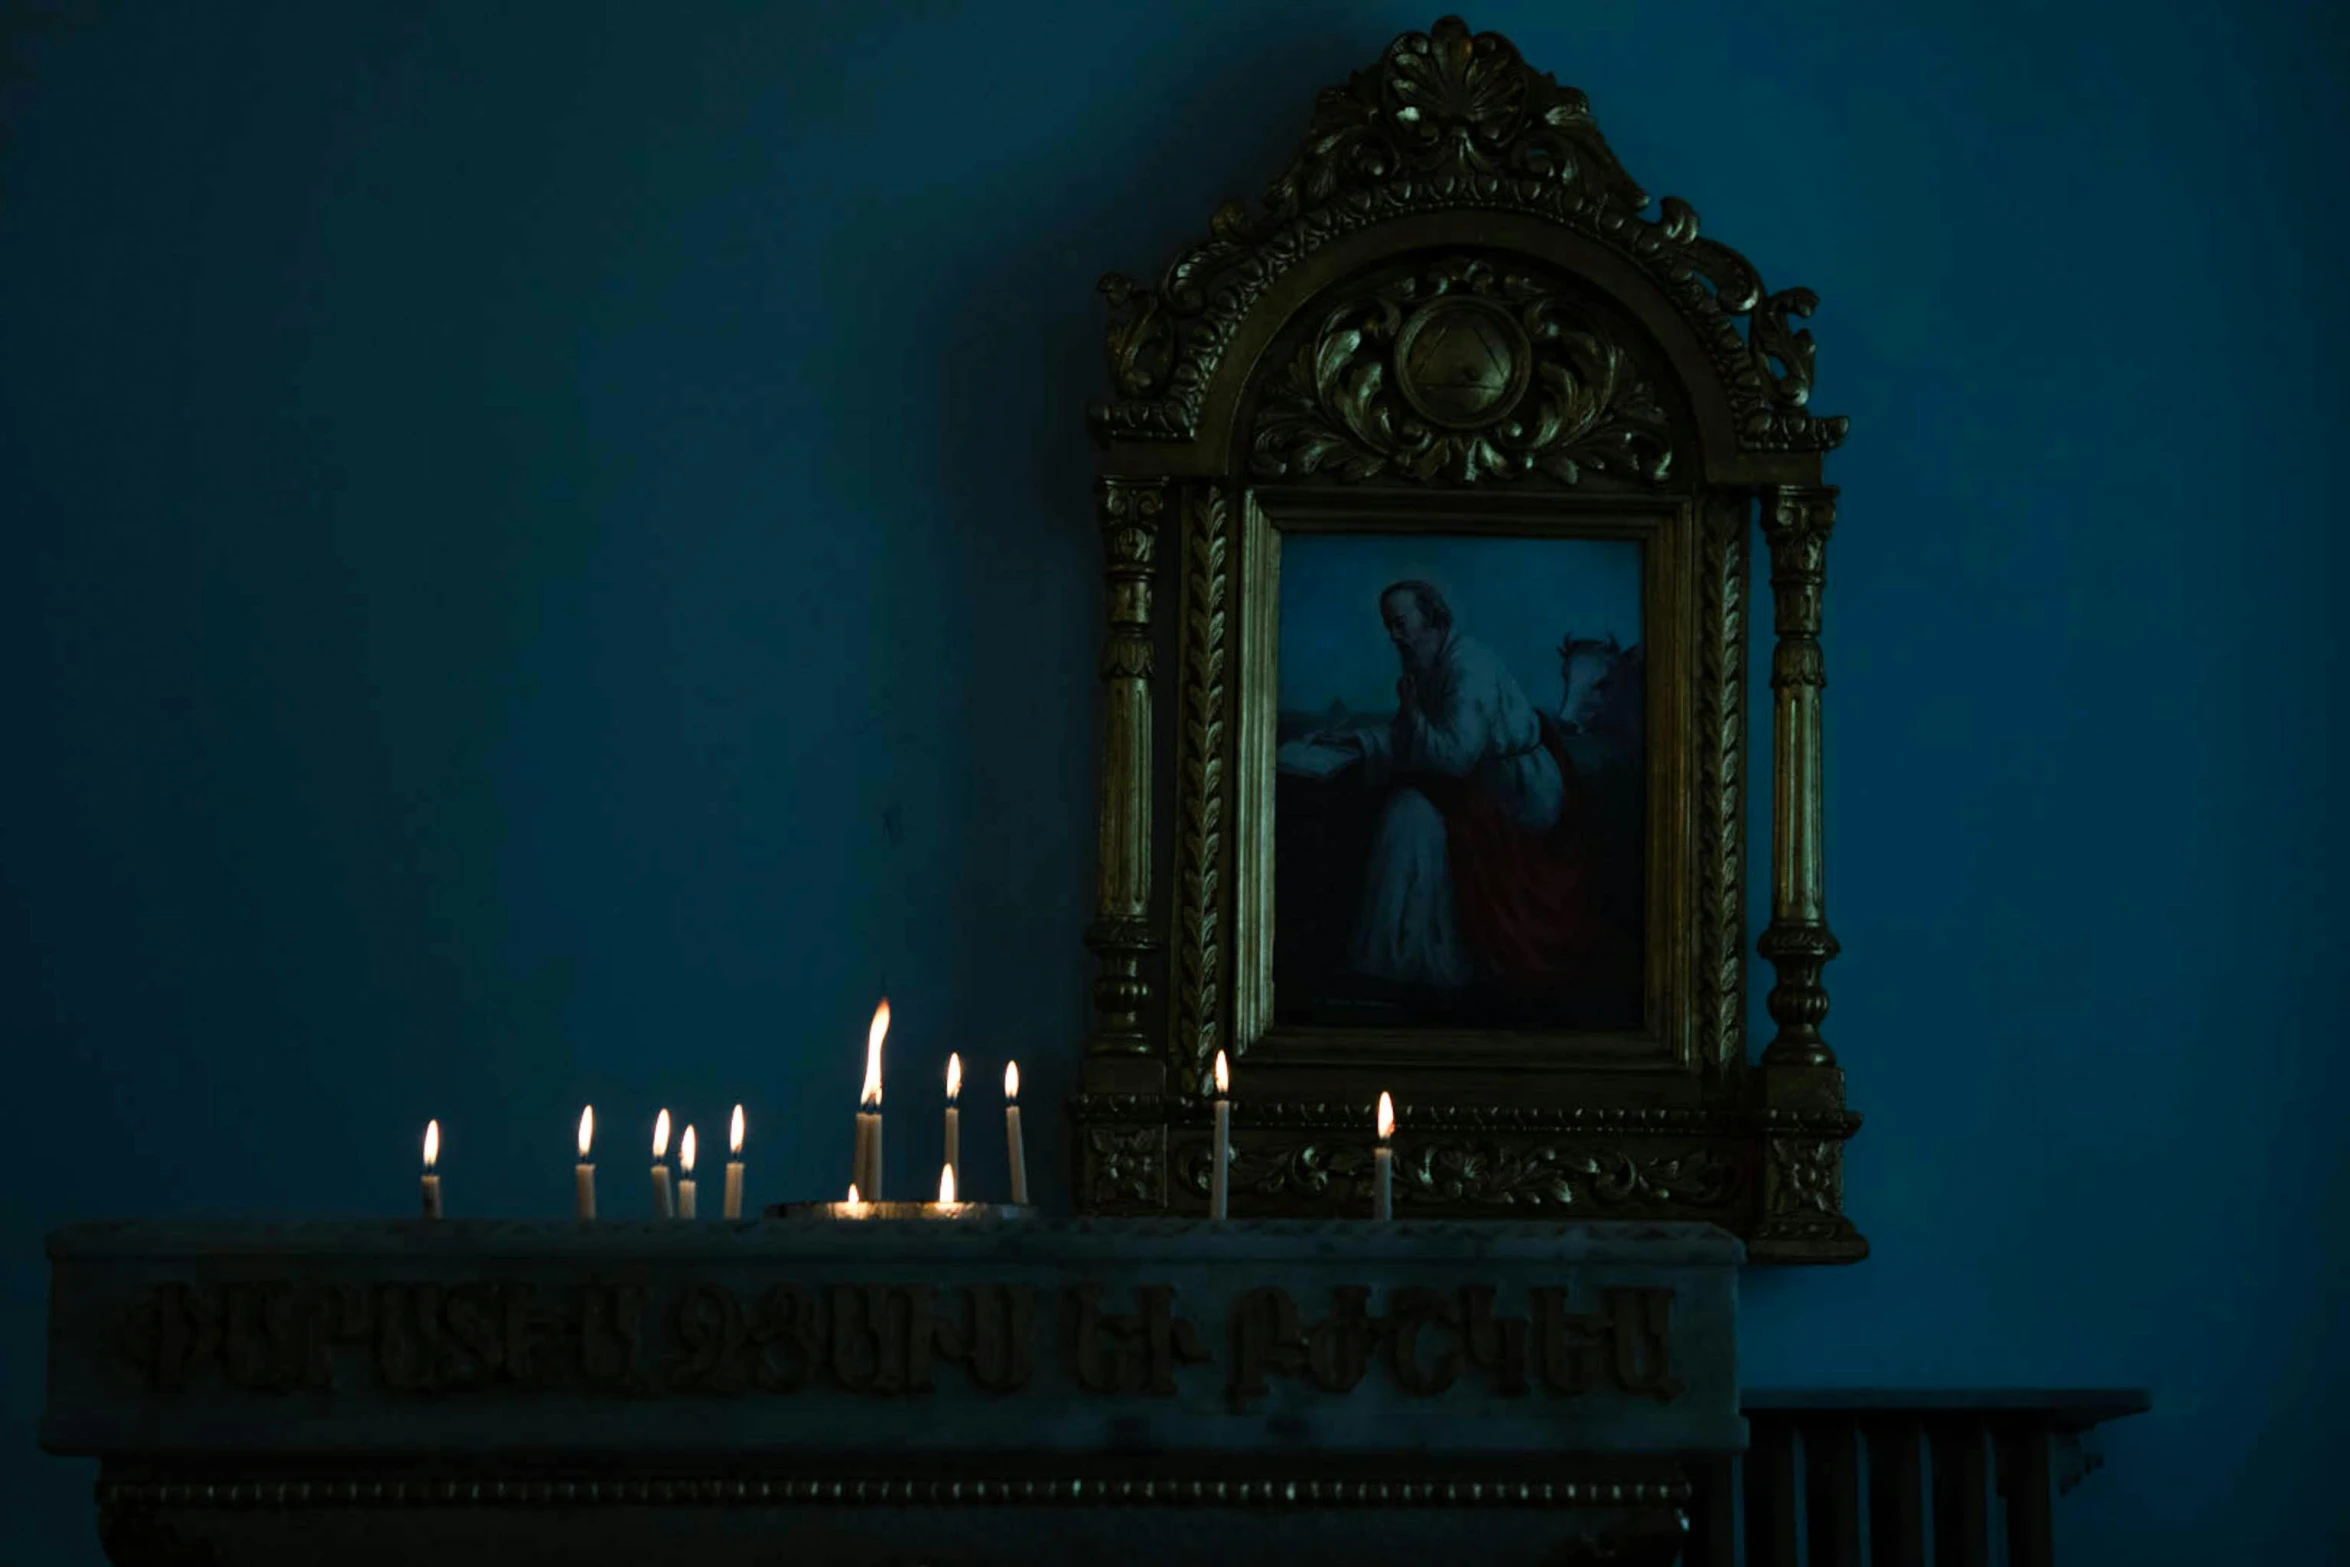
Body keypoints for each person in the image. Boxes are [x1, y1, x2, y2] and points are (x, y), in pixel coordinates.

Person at [1315, 581, 1614, 1003]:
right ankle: (1402, 961)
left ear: (1431, 618)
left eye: (1400, 624)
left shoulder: (1468, 666)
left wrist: (1414, 711)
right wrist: (1357, 741)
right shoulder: (1429, 663)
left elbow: (1453, 757)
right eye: (1389, 627)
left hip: (1520, 795)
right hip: (1483, 784)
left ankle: (1413, 962)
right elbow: (1415, 739)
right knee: (1408, 812)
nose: (1394, 636)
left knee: (1410, 816)